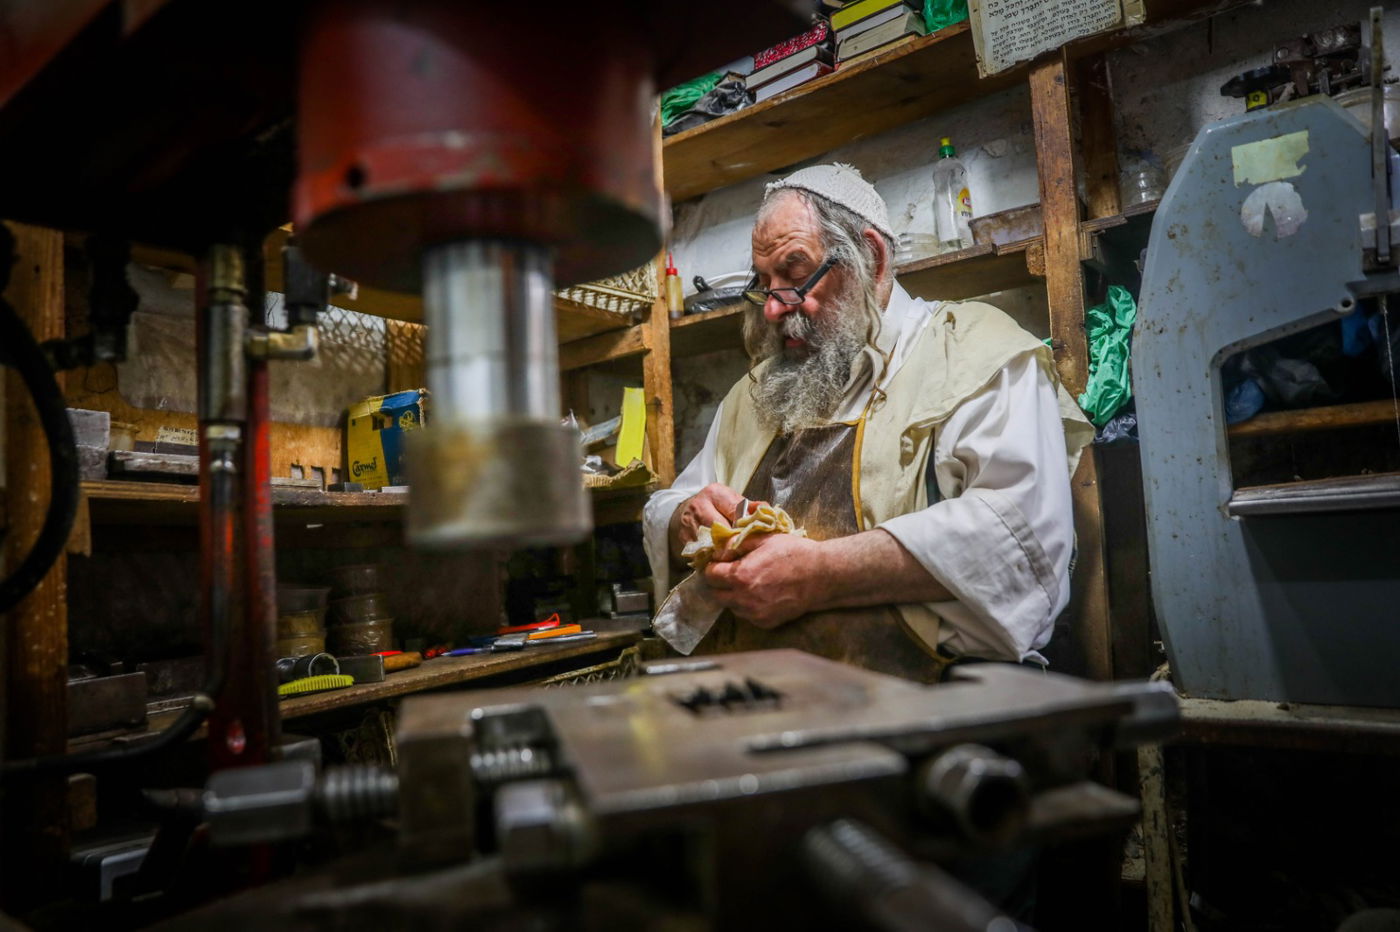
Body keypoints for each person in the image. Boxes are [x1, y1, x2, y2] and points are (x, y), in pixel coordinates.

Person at [643, 163, 1093, 683]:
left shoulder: (972, 351)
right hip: (763, 705)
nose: (772, 308)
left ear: (872, 258)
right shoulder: (756, 393)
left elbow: (1016, 536)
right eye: (764, 283)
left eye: (795, 273)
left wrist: (819, 575)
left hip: (932, 708)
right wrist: (687, 520)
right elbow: (669, 505)